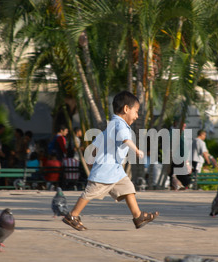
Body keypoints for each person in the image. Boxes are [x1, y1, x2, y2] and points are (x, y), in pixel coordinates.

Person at [62, 91, 160, 231]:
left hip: (115, 170)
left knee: (128, 189)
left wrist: (92, 156)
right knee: (90, 192)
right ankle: (72, 215)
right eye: (136, 112)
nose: (137, 116)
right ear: (126, 109)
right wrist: (137, 151)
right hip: (105, 170)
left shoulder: (112, 124)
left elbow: (97, 142)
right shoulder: (120, 125)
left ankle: (138, 216)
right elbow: (126, 139)